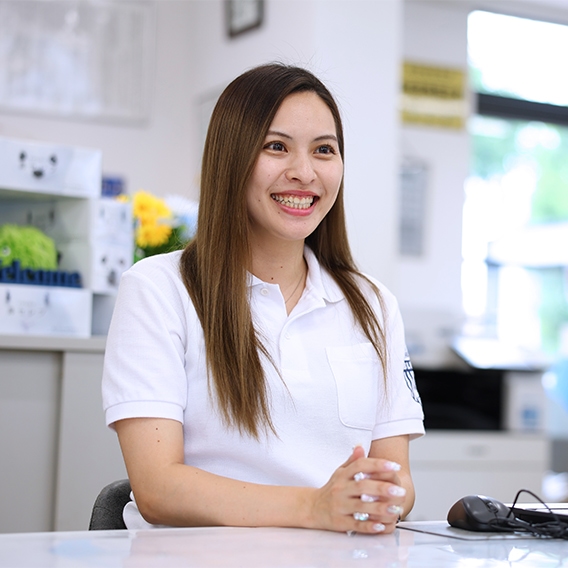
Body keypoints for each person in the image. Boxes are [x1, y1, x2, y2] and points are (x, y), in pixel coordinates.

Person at [102, 63, 424, 534]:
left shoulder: (373, 304)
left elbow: (400, 481)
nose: (304, 172)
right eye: (277, 147)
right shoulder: (158, 289)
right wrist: (315, 507)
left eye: (324, 150)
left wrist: (374, 498)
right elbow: (157, 488)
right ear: (231, 158)